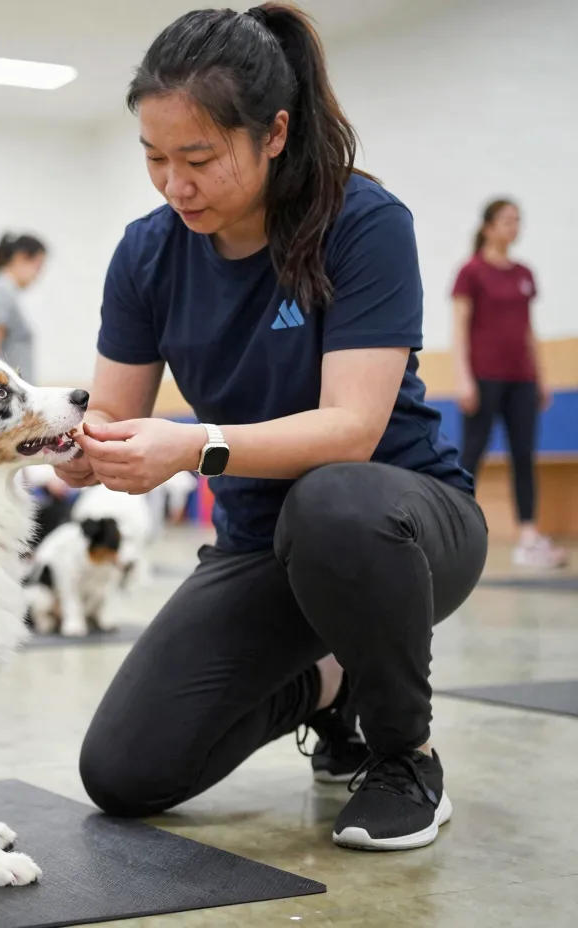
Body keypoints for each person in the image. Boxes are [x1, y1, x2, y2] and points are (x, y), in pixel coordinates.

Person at [58, 3, 487, 853]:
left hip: (400, 528)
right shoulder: (147, 253)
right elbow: (112, 408)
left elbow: (352, 431)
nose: (174, 184)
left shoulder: (362, 224)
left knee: (333, 503)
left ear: (275, 133)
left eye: (199, 158)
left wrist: (191, 446)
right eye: (153, 158)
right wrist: (82, 446)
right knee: (124, 774)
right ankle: (330, 692)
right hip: (261, 550)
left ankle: (406, 756)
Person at [452, 199, 567, 569]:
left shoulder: (524, 273)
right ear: (488, 227)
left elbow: (529, 330)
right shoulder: (470, 272)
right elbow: (459, 328)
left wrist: (541, 377)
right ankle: (454, 528)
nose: (513, 226)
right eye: (506, 220)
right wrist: (463, 377)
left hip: (522, 379)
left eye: (518, 220)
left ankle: (529, 538)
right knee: (472, 455)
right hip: (484, 378)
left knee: (524, 455)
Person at [0, 233, 47, 385]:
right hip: (9, 401)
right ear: (21, 257)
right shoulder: (0, 292)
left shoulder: (8, 293)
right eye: (38, 266)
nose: (38, 275)